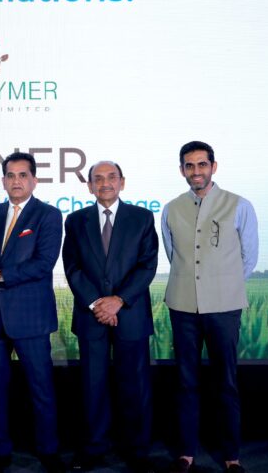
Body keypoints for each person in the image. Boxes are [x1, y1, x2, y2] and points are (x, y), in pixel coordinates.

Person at [162, 141, 258, 473]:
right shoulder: (171, 208)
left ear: (213, 167)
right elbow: (173, 254)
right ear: (182, 171)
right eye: (189, 166)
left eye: (202, 164)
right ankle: (186, 453)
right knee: (186, 380)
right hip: (183, 305)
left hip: (224, 306)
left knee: (226, 381)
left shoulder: (239, 205)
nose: (196, 171)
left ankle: (231, 456)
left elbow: (249, 257)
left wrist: (221, 285)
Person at [0, 152, 65, 473]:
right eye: (10, 175)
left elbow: (43, 264)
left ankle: (48, 449)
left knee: (41, 387)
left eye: (23, 175)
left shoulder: (48, 215)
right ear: (3, 181)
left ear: (34, 180)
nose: (16, 181)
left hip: (31, 316)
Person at [62, 161, 158, 473]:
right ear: (90, 186)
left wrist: (118, 300)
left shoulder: (142, 218)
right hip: (91, 316)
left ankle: (138, 451)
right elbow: (72, 267)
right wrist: (96, 304)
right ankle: (94, 448)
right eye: (98, 179)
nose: (105, 183)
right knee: (93, 386)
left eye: (111, 177)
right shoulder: (75, 220)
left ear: (122, 182)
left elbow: (147, 265)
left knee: (135, 385)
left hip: (130, 313)